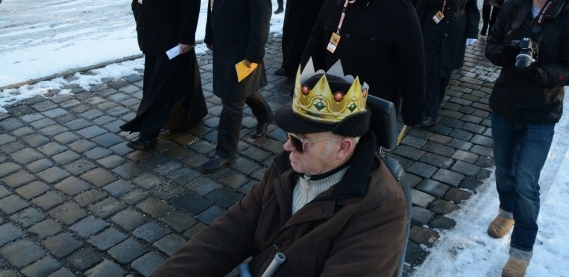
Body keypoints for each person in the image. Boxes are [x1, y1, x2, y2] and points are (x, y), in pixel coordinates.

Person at [152, 64, 408, 277]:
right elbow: (232, 230)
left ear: (342, 147)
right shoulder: (287, 166)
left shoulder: (380, 209)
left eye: (300, 140)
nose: (287, 146)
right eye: (288, 135)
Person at [485, 0, 569, 277]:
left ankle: (521, 251)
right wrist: (511, 51)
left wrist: (540, 71)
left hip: (541, 113)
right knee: (504, 172)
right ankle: (506, 210)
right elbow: (492, 48)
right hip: (504, 106)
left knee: (527, 181)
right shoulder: (514, 7)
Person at [301, 0, 426, 127]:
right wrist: (305, 82)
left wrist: (412, 113)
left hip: (370, 109)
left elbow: (412, 65)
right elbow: (315, 42)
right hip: (329, 101)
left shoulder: (400, 10)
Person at [120, 0, 207, 151]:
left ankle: (148, 134)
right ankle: (191, 115)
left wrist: (186, 38)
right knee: (177, 78)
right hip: (149, 29)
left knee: (160, 86)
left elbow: (191, 2)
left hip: (172, 35)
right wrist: (137, 10)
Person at [200, 0, 273, 174]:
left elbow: (262, 18)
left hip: (243, 48)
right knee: (243, 91)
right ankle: (265, 115)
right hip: (222, 43)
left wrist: (254, 53)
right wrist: (209, 34)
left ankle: (225, 153)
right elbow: (213, 1)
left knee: (232, 102)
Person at [416, 0, 480, 126]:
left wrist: (471, 32)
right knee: (432, 71)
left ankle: (438, 97)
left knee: (446, 68)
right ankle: (430, 112)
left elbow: (472, 7)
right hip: (432, 27)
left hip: (455, 28)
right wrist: (416, 28)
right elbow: (422, 3)